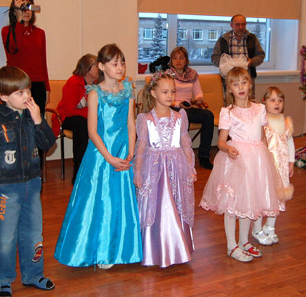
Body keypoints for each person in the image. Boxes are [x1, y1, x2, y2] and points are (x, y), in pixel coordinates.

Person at [55, 44, 142, 268]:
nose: (120, 67)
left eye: (122, 63)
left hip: (122, 152)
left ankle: (118, 248)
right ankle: (97, 250)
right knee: (99, 201)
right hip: (101, 155)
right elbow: (92, 132)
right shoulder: (94, 94)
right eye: (114, 63)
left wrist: (131, 151)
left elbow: (131, 124)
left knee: (119, 200)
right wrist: (109, 158)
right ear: (101, 66)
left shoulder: (128, 91)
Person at [0, 66, 57, 297]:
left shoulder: (32, 118)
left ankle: (33, 274)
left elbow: (48, 144)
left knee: (33, 233)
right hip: (5, 189)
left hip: (32, 185)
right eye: (20, 93)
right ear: (4, 96)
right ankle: (3, 279)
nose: (27, 97)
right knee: (6, 237)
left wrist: (39, 120)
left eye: (28, 91)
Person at [199, 67, 282, 263]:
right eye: (235, 84)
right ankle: (231, 245)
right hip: (237, 162)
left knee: (249, 202)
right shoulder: (228, 112)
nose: (241, 87)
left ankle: (244, 241)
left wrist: (267, 159)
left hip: (257, 161)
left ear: (250, 84)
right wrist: (228, 149)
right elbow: (221, 141)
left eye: (244, 83)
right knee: (232, 204)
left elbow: (262, 137)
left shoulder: (260, 109)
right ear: (229, 89)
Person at [134, 71, 196, 267]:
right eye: (165, 92)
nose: (170, 95)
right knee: (156, 204)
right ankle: (154, 249)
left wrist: (190, 167)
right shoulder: (145, 119)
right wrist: (137, 172)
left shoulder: (179, 117)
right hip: (154, 170)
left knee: (177, 204)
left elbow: (185, 144)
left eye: (172, 91)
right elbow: (141, 148)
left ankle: (178, 248)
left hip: (176, 169)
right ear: (153, 93)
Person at [1, 0, 50, 173]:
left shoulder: (40, 33)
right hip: (16, 86)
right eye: (22, 8)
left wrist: (47, 87)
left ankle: (37, 168)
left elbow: (43, 61)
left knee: (36, 125)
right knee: (17, 126)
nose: (26, 11)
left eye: (29, 7)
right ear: (15, 10)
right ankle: (17, 166)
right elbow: (14, 49)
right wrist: (19, 21)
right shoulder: (8, 31)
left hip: (37, 85)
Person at [251, 87, 295, 246]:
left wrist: (291, 162)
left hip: (280, 168)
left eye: (280, 100)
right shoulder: (262, 123)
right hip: (265, 167)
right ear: (264, 102)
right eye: (272, 100)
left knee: (277, 198)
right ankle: (257, 229)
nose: (277, 103)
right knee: (262, 198)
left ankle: (270, 226)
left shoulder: (286, 123)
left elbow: (290, 143)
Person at [167, 46, 215, 170]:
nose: (178, 61)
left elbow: (199, 93)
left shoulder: (192, 74)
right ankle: (183, 156)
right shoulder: (167, 75)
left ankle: (204, 157)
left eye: (181, 58)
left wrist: (197, 99)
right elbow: (166, 98)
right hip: (173, 108)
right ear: (171, 61)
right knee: (184, 116)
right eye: (175, 58)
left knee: (208, 115)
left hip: (188, 107)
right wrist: (178, 104)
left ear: (186, 60)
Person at [56, 54, 99, 183]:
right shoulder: (73, 82)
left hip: (87, 117)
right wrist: (91, 115)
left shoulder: (97, 83)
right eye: (96, 66)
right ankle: (78, 174)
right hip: (68, 118)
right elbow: (69, 111)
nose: (99, 69)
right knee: (82, 125)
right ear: (87, 69)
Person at [211, 14, 265, 98]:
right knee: (230, 102)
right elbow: (214, 57)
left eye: (243, 24)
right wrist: (225, 63)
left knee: (249, 102)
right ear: (231, 25)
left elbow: (260, 55)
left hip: (247, 79)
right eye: (237, 24)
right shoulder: (223, 39)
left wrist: (252, 61)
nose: (240, 27)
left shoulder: (252, 38)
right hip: (229, 80)